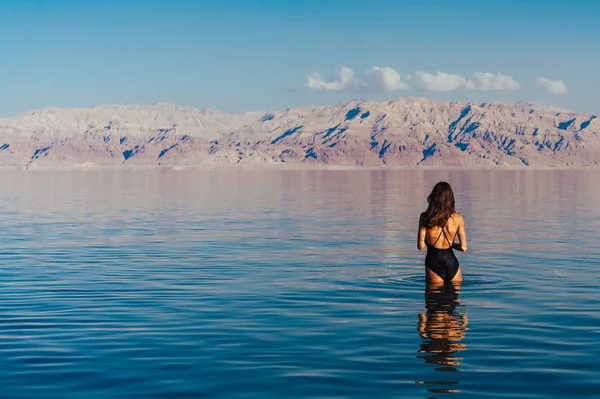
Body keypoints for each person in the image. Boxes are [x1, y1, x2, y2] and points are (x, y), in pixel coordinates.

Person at [417, 182, 467, 284]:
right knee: (454, 297)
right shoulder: (458, 219)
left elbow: (421, 246)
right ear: (451, 199)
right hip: (452, 264)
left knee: (434, 298)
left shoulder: (425, 217)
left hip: (433, 263)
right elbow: (463, 248)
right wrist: (451, 245)